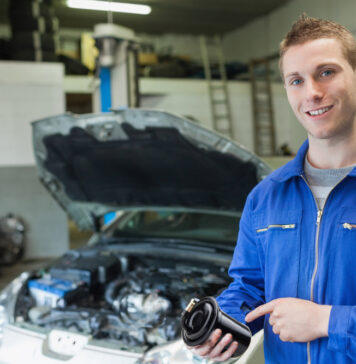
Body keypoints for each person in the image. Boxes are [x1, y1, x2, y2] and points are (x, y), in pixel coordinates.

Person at [186, 14, 356, 363]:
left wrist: (328, 321)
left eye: (326, 72)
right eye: (296, 80)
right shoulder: (265, 197)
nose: (312, 92)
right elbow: (250, 288)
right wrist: (222, 326)